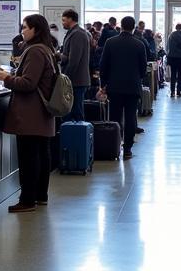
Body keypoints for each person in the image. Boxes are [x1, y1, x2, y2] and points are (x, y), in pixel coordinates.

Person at [0, 15, 56, 212]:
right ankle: (40, 195)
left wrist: (7, 78)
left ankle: (27, 200)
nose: (22, 31)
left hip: (30, 114)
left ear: (36, 30)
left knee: (29, 157)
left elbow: (28, 83)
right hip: (42, 114)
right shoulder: (47, 50)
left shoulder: (34, 51)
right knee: (41, 154)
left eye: (25, 27)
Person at [99, 15, 147, 160]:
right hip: (133, 87)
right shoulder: (139, 44)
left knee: (114, 117)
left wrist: (103, 84)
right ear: (134, 28)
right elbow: (143, 68)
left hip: (114, 87)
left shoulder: (110, 42)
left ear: (121, 26)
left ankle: (114, 146)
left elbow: (103, 65)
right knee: (131, 117)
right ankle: (128, 149)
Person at [60, 9, 91, 122]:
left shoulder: (77, 34)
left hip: (76, 81)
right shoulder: (74, 33)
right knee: (71, 110)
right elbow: (69, 56)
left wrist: (64, 79)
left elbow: (74, 60)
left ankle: (77, 138)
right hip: (75, 80)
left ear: (70, 19)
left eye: (64, 20)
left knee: (76, 112)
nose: (62, 23)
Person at [166, 23, 181, 97]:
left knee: (173, 75)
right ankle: (179, 91)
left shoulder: (171, 35)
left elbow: (168, 47)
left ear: (176, 27)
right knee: (180, 75)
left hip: (172, 57)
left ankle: (172, 91)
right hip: (180, 58)